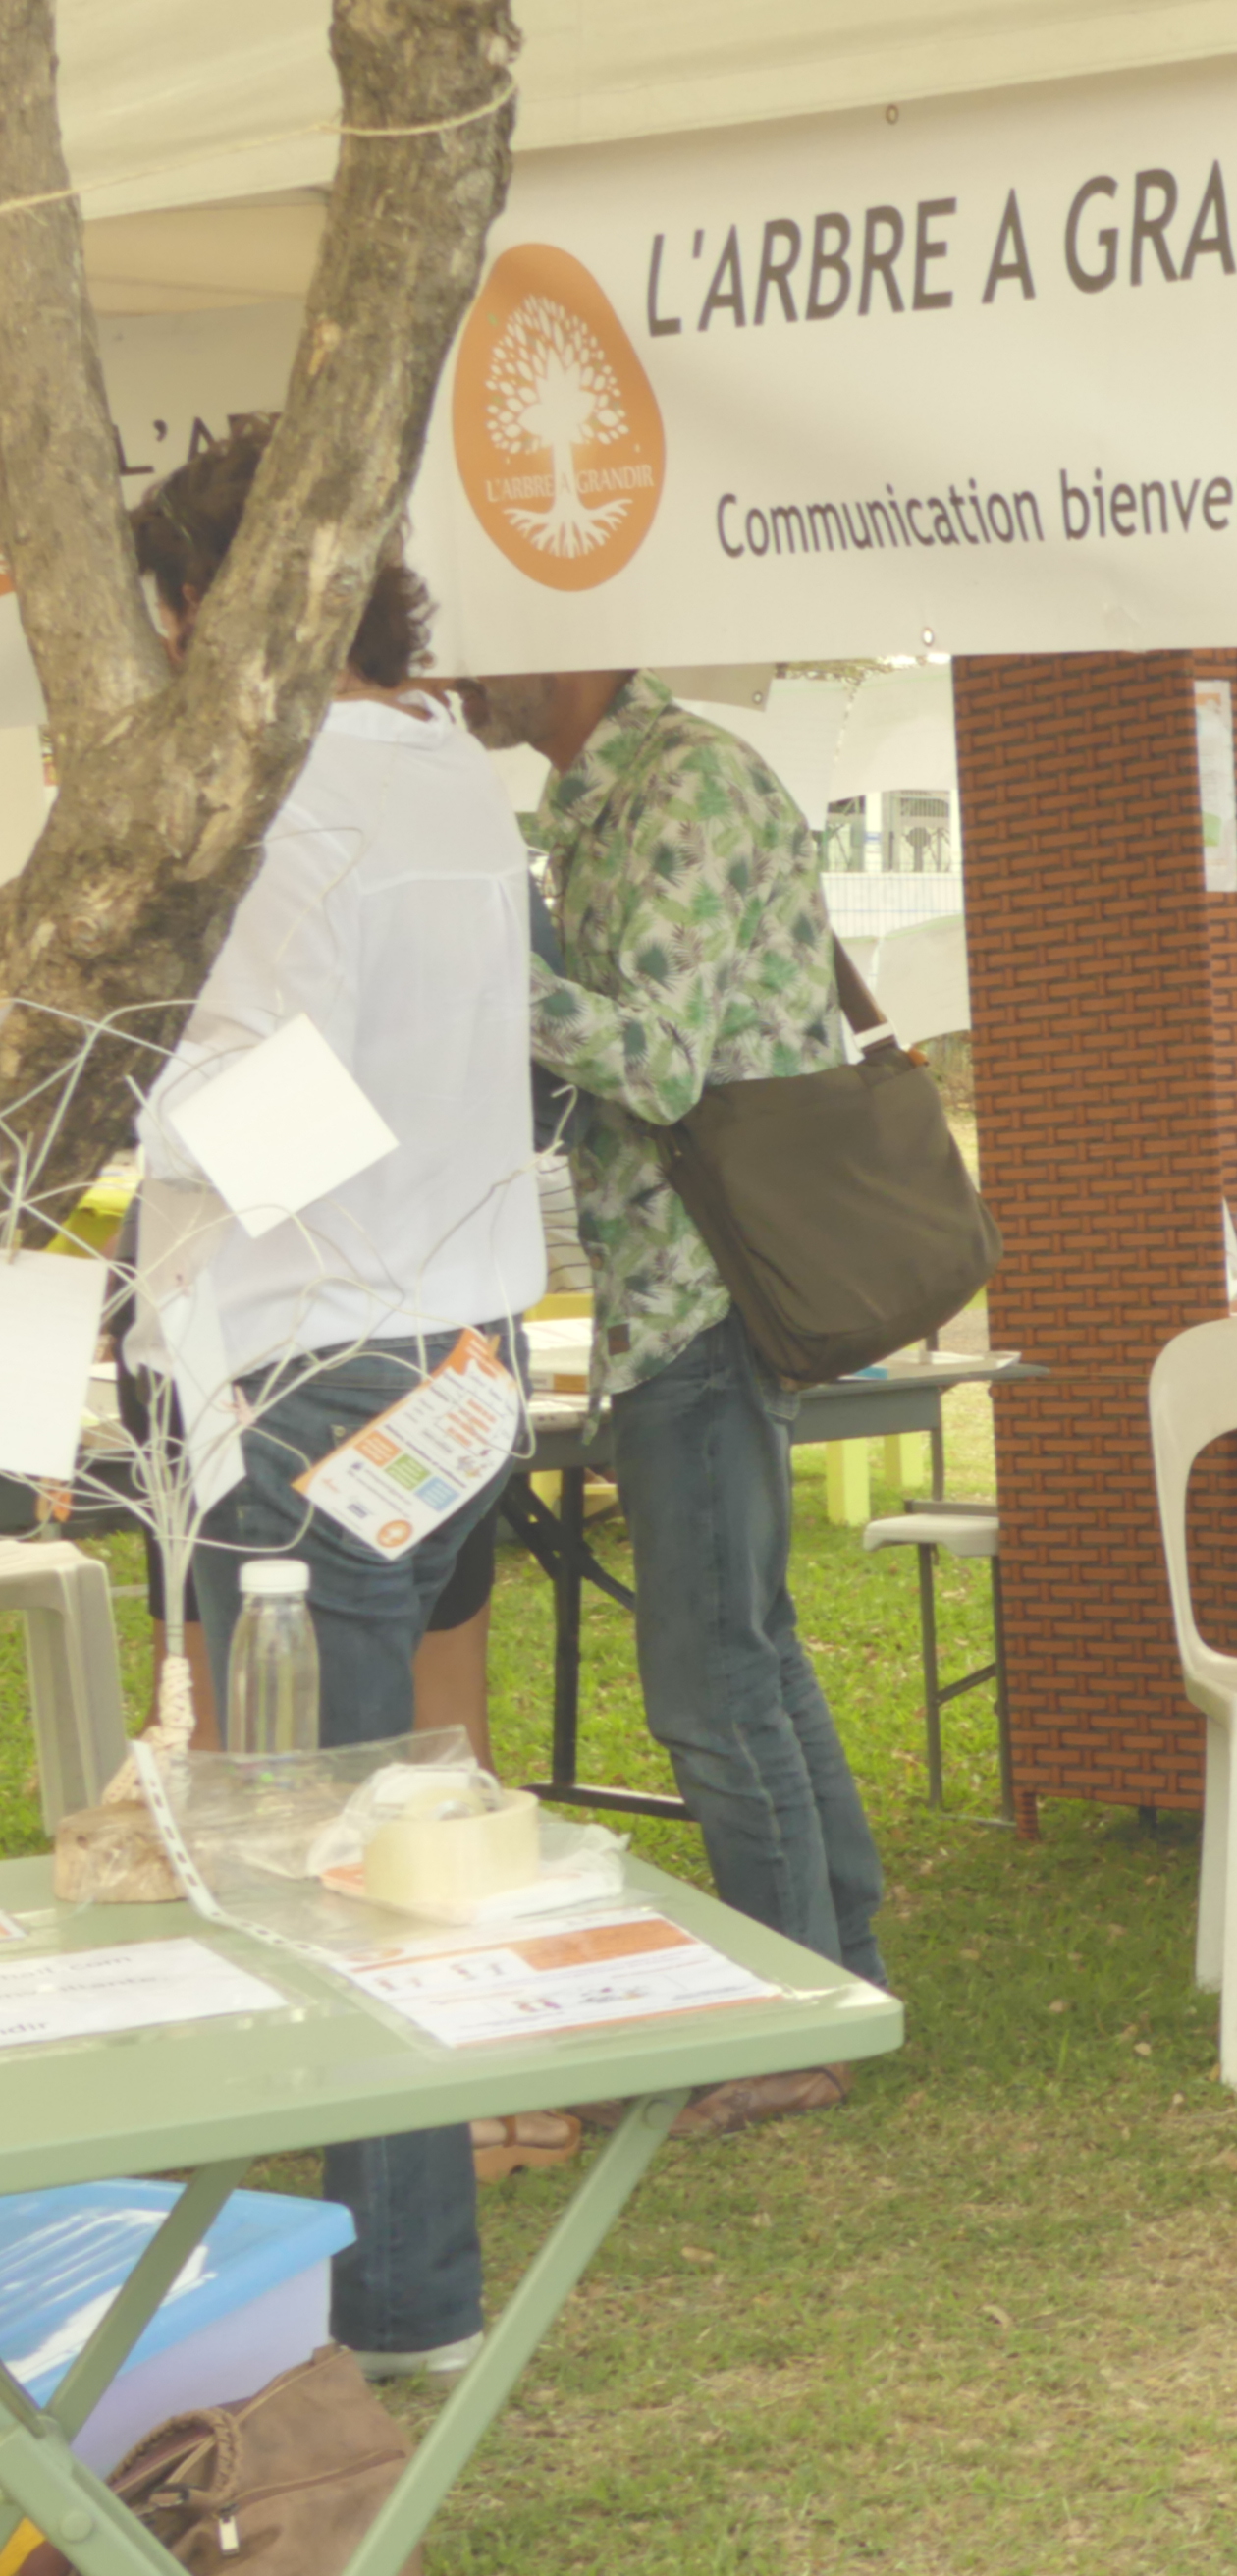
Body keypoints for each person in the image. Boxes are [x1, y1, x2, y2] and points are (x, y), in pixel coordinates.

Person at [127, 426, 544, 2376]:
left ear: (218, 605)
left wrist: (110, 1055)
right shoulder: (454, 773)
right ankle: (382, 2275)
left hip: (319, 1366)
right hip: (466, 1348)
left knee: (333, 1859)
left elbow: (269, 1106)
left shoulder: (297, 808)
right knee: (390, 1831)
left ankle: (399, 2310)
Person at [462, 667, 883, 2124]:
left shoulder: (683, 785)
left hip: (705, 1292)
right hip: (679, 1290)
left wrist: (469, 959)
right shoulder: (593, 803)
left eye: (474, 637)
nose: (447, 665)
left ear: (564, 646)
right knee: (750, 1657)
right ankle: (843, 1984)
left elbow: (651, 1054)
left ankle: (791, 2025)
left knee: (709, 1686)